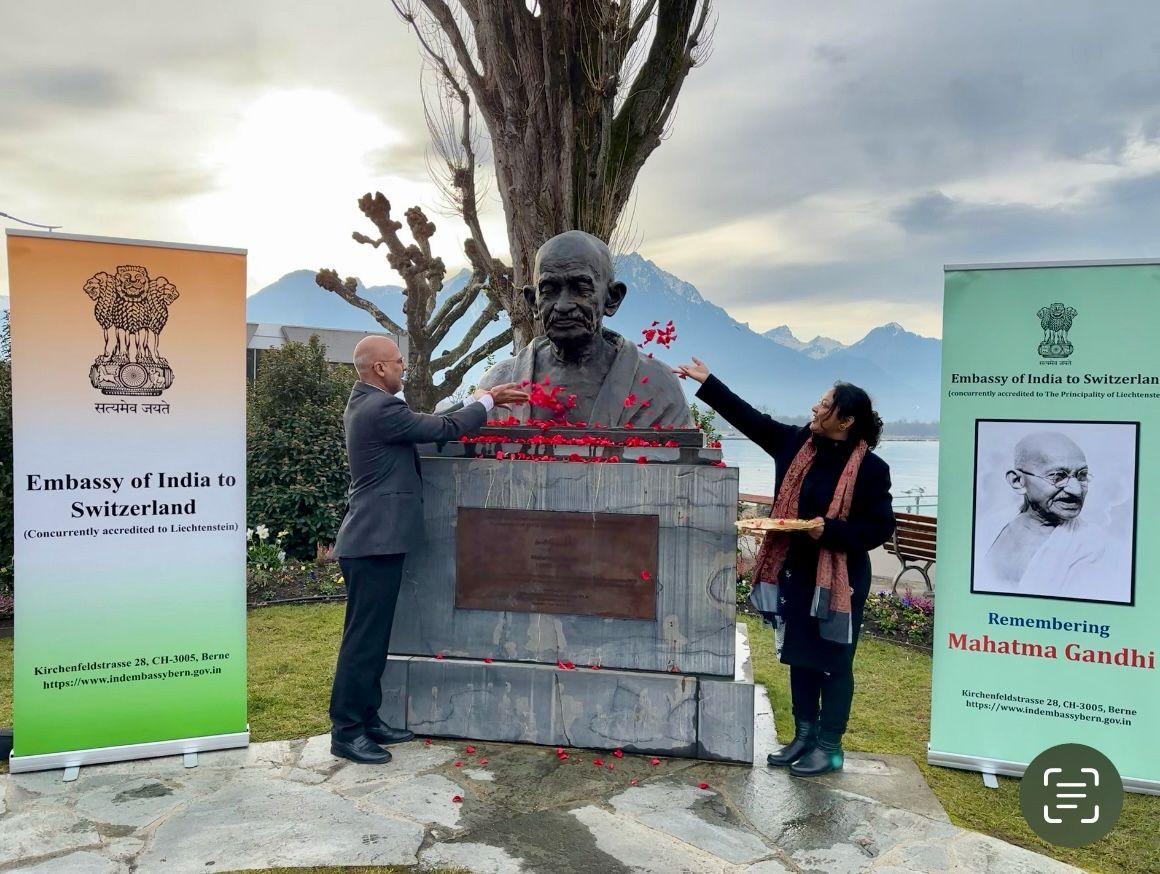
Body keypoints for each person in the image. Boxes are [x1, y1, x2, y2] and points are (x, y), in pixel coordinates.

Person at [676, 357, 894, 776]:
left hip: (840, 582)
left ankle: (829, 747)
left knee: (833, 660)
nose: (815, 408)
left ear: (845, 420)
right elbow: (751, 419)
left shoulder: (871, 469)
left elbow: (878, 528)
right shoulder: (797, 445)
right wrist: (709, 383)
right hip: (797, 572)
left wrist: (827, 530)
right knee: (800, 656)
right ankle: (803, 736)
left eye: (825, 404)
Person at [329, 335, 529, 764]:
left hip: (375, 541)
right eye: (399, 362)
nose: (404, 367)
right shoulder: (381, 408)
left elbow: (425, 427)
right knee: (362, 640)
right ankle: (346, 731)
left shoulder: (367, 404)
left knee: (375, 636)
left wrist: (486, 398)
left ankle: (368, 718)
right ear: (379, 368)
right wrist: (485, 399)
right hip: (372, 542)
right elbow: (445, 428)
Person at [476, 230, 693, 427]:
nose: (562, 306)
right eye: (549, 290)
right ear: (533, 302)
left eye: (580, 289)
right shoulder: (497, 384)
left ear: (612, 299)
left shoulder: (659, 389)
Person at [981, 431, 1106, 597]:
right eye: (1058, 476)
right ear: (1017, 481)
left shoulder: (1091, 544)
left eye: (1082, 475)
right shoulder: (988, 526)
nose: (1076, 490)